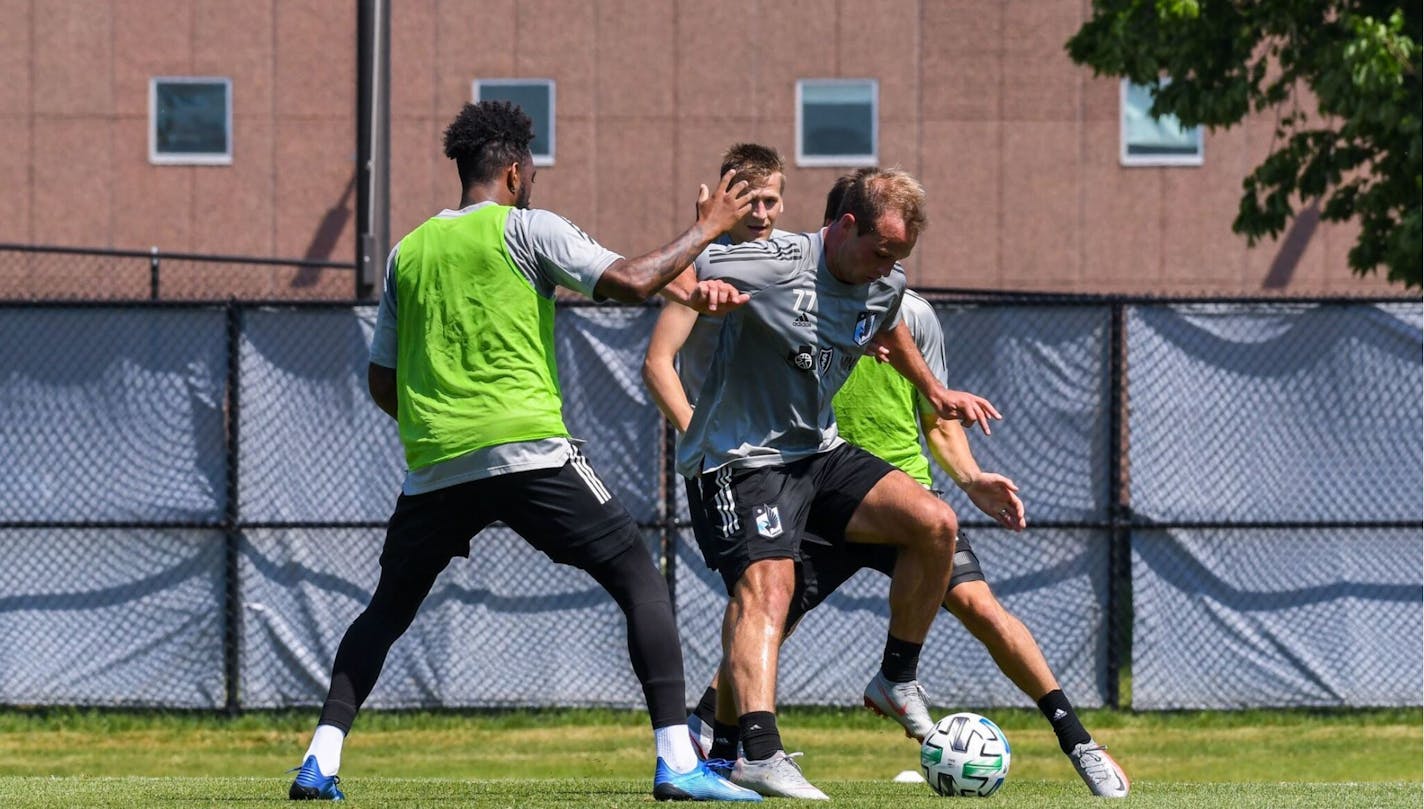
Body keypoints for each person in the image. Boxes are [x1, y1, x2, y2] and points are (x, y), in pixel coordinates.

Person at [287, 100, 761, 803]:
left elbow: (382, 381)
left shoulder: (406, 252)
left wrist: (440, 420)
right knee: (639, 577)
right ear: (514, 171)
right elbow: (630, 280)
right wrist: (707, 228)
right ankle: (676, 761)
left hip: (437, 464)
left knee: (386, 610)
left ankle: (319, 760)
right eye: (530, 170)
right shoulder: (527, 228)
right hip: (528, 452)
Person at [678, 176, 1131, 799]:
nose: (889, 268)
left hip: (848, 473)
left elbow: (899, 341)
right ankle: (730, 742)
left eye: (900, 258)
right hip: (766, 470)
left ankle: (1041, 726)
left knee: (948, 548)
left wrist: (950, 428)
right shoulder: (776, 268)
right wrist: (703, 256)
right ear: (843, 227)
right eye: (880, 250)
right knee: (767, 601)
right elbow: (679, 283)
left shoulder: (892, 290)